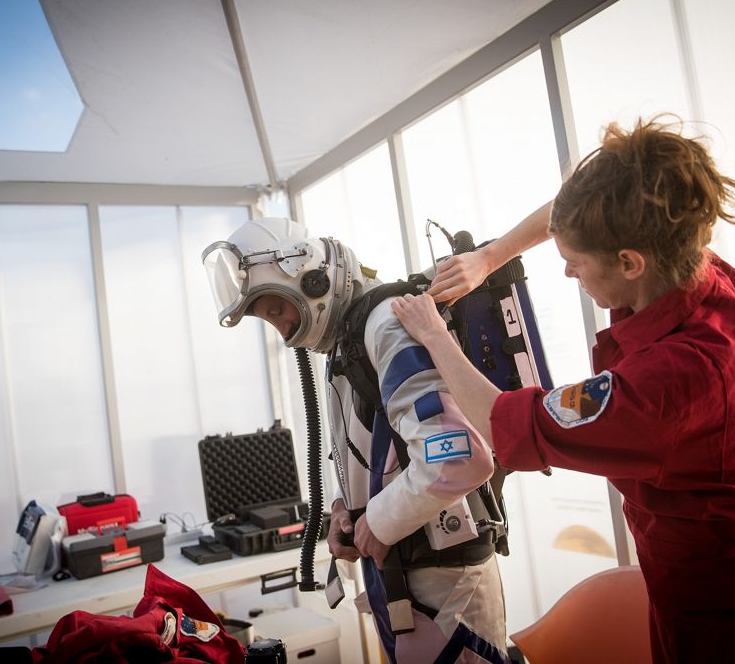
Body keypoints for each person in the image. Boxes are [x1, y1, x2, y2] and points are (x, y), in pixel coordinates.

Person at [392, 116, 735, 663]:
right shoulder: (697, 270)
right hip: (722, 571)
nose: (568, 273)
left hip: (715, 610)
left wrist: (434, 335)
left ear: (629, 262)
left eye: (576, 263)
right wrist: (491, 257)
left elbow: (503, 421)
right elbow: (573, 207)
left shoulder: (669, 385)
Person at [202, 218, 511, 663]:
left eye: (276, 310)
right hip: (405, 578)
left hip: (443, 583)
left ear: (311, 279)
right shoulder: (352, 338)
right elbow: (375, 454)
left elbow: (458, 457)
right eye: (268, 320)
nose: (284, 328)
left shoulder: (384, 324)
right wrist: (347, 512)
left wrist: (379, 521)